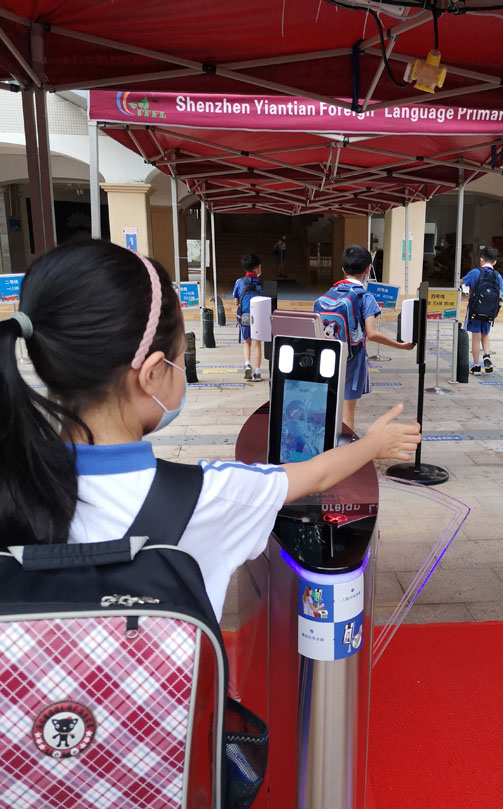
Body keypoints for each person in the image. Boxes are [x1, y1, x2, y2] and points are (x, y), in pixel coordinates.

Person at [0, 239, 420, 623]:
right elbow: (316, 475)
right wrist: (373, 444)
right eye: (180, 358)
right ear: (150, 375)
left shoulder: (12, 482)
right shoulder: (210, 497)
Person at [324, 244, 413, 432]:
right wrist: (400, 346)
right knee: (348, 412)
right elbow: (372, 333)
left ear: (343, 269)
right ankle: (347, 452)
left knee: (329, 406)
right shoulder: (365, 297)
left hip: (328, 357)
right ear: (367, 269)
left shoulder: (329, 294)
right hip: (353, 358)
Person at [461, 245, 503, 375]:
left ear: (481, 259)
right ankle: (486, 355)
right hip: (490, 310)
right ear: (495, 262)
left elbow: (461, 282)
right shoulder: (498, 276)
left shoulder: (475, 272)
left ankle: (476, 366)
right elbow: (500, 295)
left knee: (475, 337)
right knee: (485, 334)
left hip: (475, 310)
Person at [233, 253, 263, 381]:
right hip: (259, 316)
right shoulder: (262, 283)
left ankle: (247, 365)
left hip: (245, 316)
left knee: (247, 342)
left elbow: (236, 302)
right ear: (256, 269)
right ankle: (257, 372)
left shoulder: (239, 282)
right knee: (257, 343)